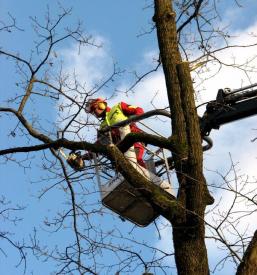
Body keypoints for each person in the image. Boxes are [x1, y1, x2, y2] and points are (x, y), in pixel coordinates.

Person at [67, 98, 146, 170]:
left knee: (136, 161)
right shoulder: (102, 127)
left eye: (94, 110)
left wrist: (129, 122)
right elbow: (99, 147)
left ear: (101, 105)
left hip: (134, 140)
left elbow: (139, 110)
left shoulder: (118, 107)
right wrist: (82, 157)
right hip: (120, 149)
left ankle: (147, 179)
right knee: (120, 167)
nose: (94, 113)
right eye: (92, 113)